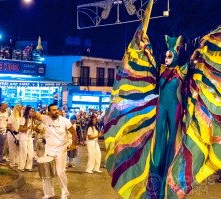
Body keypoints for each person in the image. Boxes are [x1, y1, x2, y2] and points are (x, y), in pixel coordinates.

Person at [103, 0, 221, 198]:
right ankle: (153, 187)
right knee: (156, 149)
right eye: (166, 51)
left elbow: (197, 61)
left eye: (171, 52)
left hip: (176, 112)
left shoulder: (184, 70)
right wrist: (143, 29)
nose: (167, 54)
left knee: (173, 148)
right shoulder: (159, 71)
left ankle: (170, 186)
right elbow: (143, 54)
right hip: (159, 111)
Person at [35, 103, 77, 199]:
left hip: (61, 150)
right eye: (53, 110)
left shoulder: (65, 121)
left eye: (57, 109)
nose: (56, 111)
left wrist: (74, 144)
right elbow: (36, 115)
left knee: (60, 172)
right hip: (49, 150)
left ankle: (65, 194)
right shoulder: (46, 119)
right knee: (46, 173)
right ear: (49, 112)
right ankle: (48, 193)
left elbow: (74, 133)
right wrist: (32, 111)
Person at [18, 106, 37, 172]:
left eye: (33, 111)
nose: (32, 112)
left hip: (29, 137)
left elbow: (33, 128)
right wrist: (28, 128)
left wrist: (34, 127)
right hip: (23, 138)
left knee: (31, 152)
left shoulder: (32, 119)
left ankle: (28, 166)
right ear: (27, 111)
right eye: (30, 111)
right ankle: (21, 167)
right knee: (24, 152)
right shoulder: (24, 119)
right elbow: (20, 129)